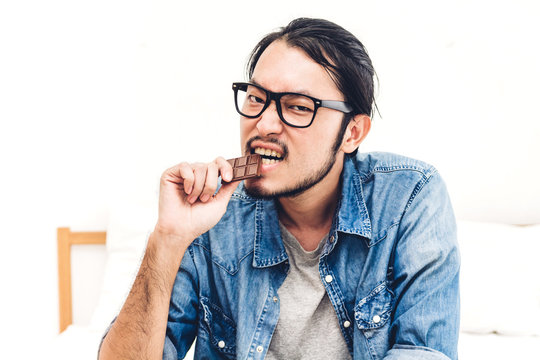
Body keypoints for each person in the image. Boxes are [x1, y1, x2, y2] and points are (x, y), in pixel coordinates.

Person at [99, 17, 459, 360]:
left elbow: (424, 350)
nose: (264, 123)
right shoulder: (212, 220)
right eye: (255, 98)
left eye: (298, 107)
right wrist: (167, 239)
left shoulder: (409, 197)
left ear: (352, 132)